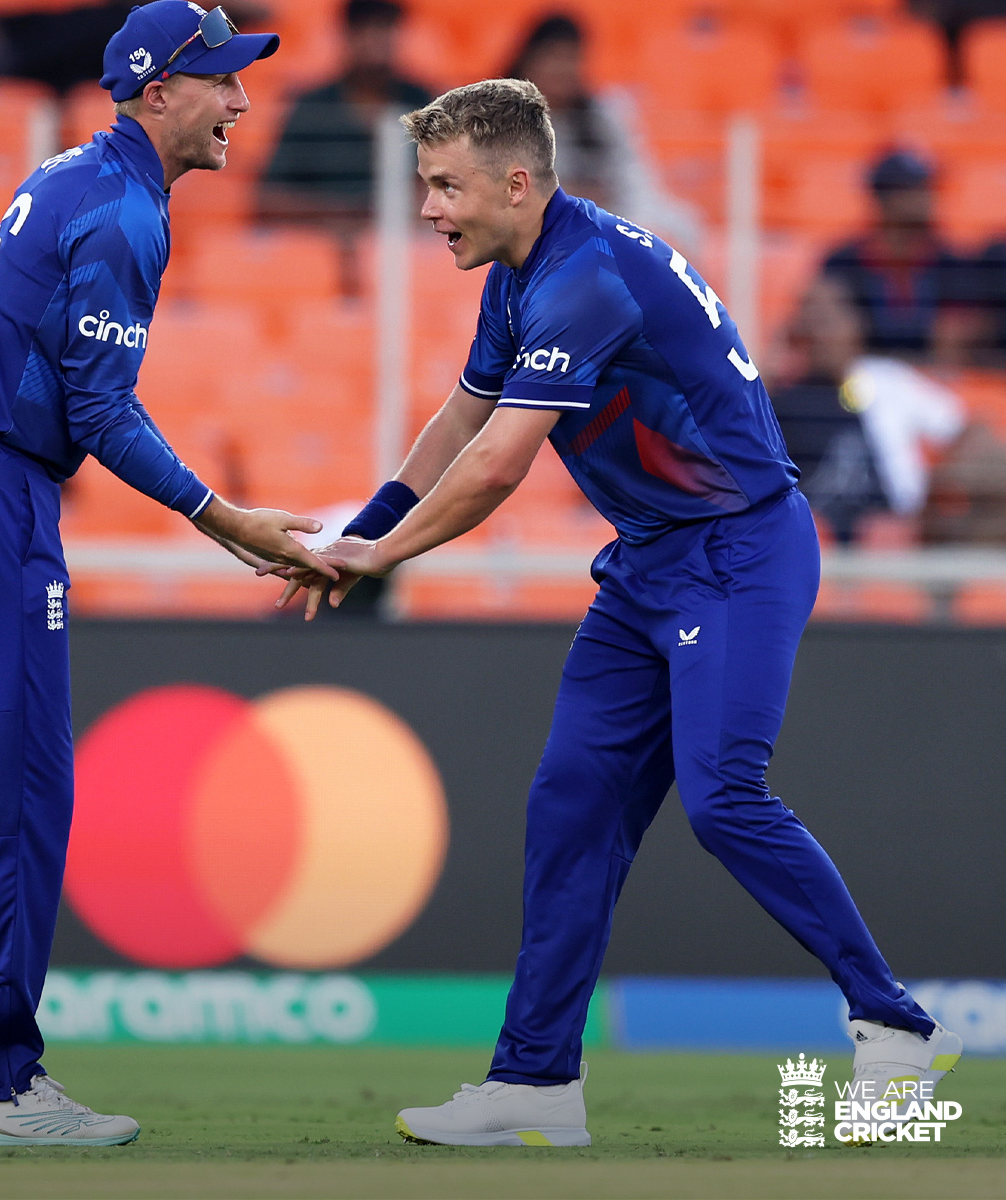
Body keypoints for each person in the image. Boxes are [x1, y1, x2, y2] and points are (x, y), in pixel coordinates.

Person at [276, 79, 962, 1147]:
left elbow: (500, 465)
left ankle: (896, 1030)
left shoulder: (585, 280)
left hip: (737, 552)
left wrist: (380, 558)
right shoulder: (523, 271)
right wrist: (354, 535)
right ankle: (536, 1082)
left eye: (445, 186)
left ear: (517, 181)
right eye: (424, 187)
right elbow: (462, 417)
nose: (428, 209)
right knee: (570, 811)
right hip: (650, 562)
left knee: (726, 797)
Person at [0, 1, 336, 1148]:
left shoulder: (86, 177)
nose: (241, 100)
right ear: (154, 90)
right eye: (219, 81)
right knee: (19, 791)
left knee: (0, 791)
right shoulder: (122, 212)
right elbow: (98, 410)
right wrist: (224, 517)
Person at [773, 275, 965, 543]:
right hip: (814, 542)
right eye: (812, 319)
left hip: (898, 529)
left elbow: (963, 426)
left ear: (856, 324)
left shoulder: (888, 381)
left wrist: (936, 492)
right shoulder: (779, 403)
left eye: (829, 319)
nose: (820, 331)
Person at [503, 13, 701, 252]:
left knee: (680, 226)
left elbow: (635, 182)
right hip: (528, 231)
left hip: (604, 219)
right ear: (529, 60)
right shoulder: (500, 119)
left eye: (571, 58)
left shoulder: (603, 115)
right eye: (553, 57)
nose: (562, 70)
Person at [256, 0, 432, 225]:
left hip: (406, 242)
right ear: (347, 34)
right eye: (366, 28)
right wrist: (345, 214)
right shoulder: (312, 107)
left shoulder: (423, 102)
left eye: (385, 27)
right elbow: (269, 199)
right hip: (320, 242)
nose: (376, 40)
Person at [819, 149, 972, 363]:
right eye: (913, 189)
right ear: (884, 198)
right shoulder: (843, 262)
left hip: (929, 382)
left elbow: (956, 338)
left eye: (927, 188)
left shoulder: (948, 262)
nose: (927, 197)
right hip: (861, 380)